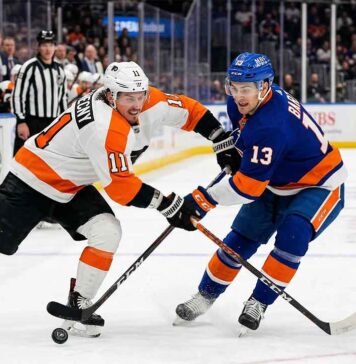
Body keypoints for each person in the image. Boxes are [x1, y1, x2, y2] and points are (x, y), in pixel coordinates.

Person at [0, 61, 239, 338]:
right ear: (111, 96)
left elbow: (192, 112)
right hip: (31, 180)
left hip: (72, 185)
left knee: (107, 231)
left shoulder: (149, 100)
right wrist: (171, 204)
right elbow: (122, 189)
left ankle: (80, 302)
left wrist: (222, 141)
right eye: (128, 98)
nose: (137, 104)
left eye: (140, 96)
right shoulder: (104, 127)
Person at [175, 52, 347, 334]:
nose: (239, 96)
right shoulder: (242, 104)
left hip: (318, 183)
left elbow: (247, 188)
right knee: (240, 239)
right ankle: (205, 295)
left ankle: (258, 302)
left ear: (265, 86)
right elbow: (246, 139)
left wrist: (201, 200)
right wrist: (235, 152)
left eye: (246, 89)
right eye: (234, 87)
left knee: (293, 235)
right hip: (275, 179)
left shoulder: (272, 123)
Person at [12, 30, 67, 154]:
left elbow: (62, 98)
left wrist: (63, 123)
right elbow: (18, 95)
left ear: (55, 47)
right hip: (32, 122)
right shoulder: (29, 67)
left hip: (53, 123)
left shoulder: (60, 70)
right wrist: (21, 122)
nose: (48, 49)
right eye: (44, 45)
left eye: (51, 45)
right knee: (23, 160)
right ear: (38, 47)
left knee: (49, 162)